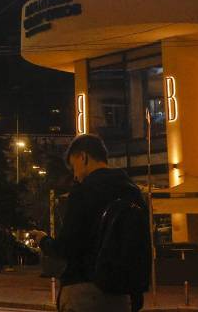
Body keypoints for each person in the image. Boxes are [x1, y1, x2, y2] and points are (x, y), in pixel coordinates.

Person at [39, 134, 147, 312]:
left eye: (74, 167)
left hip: (85, 289)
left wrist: (44, 241)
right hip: (123, 294)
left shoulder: (84, 191)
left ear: (83, 157)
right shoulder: (132, 192)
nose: (75, 176)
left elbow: (67, 246)